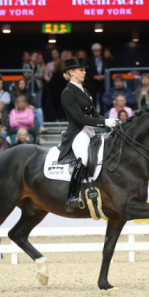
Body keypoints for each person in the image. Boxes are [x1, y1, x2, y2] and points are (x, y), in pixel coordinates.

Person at [57, 57, 118, 212]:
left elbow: (94, 114)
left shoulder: (85, 91)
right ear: (71, 72)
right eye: (81, 70)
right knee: (83, 159)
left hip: (90, 132)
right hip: (77, 132)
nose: (84, 73)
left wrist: (109, 121)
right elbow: (79, 118)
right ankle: (72, 196)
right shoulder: (67, 92)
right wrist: (104, 123)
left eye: (84, 70)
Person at [86, 43, 113, 110]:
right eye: (95, 50)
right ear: (92, 51)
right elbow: (87, 71)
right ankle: (93, 115)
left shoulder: (106, 60)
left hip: (103, 84)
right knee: (92, 101)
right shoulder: (88, 60)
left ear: (100, 51)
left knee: (103, 100)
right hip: (92, 84)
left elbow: (111, 70)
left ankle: (102, 115)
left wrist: (104, 76)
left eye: (98, 50)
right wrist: (94, 76)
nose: (96, 51)